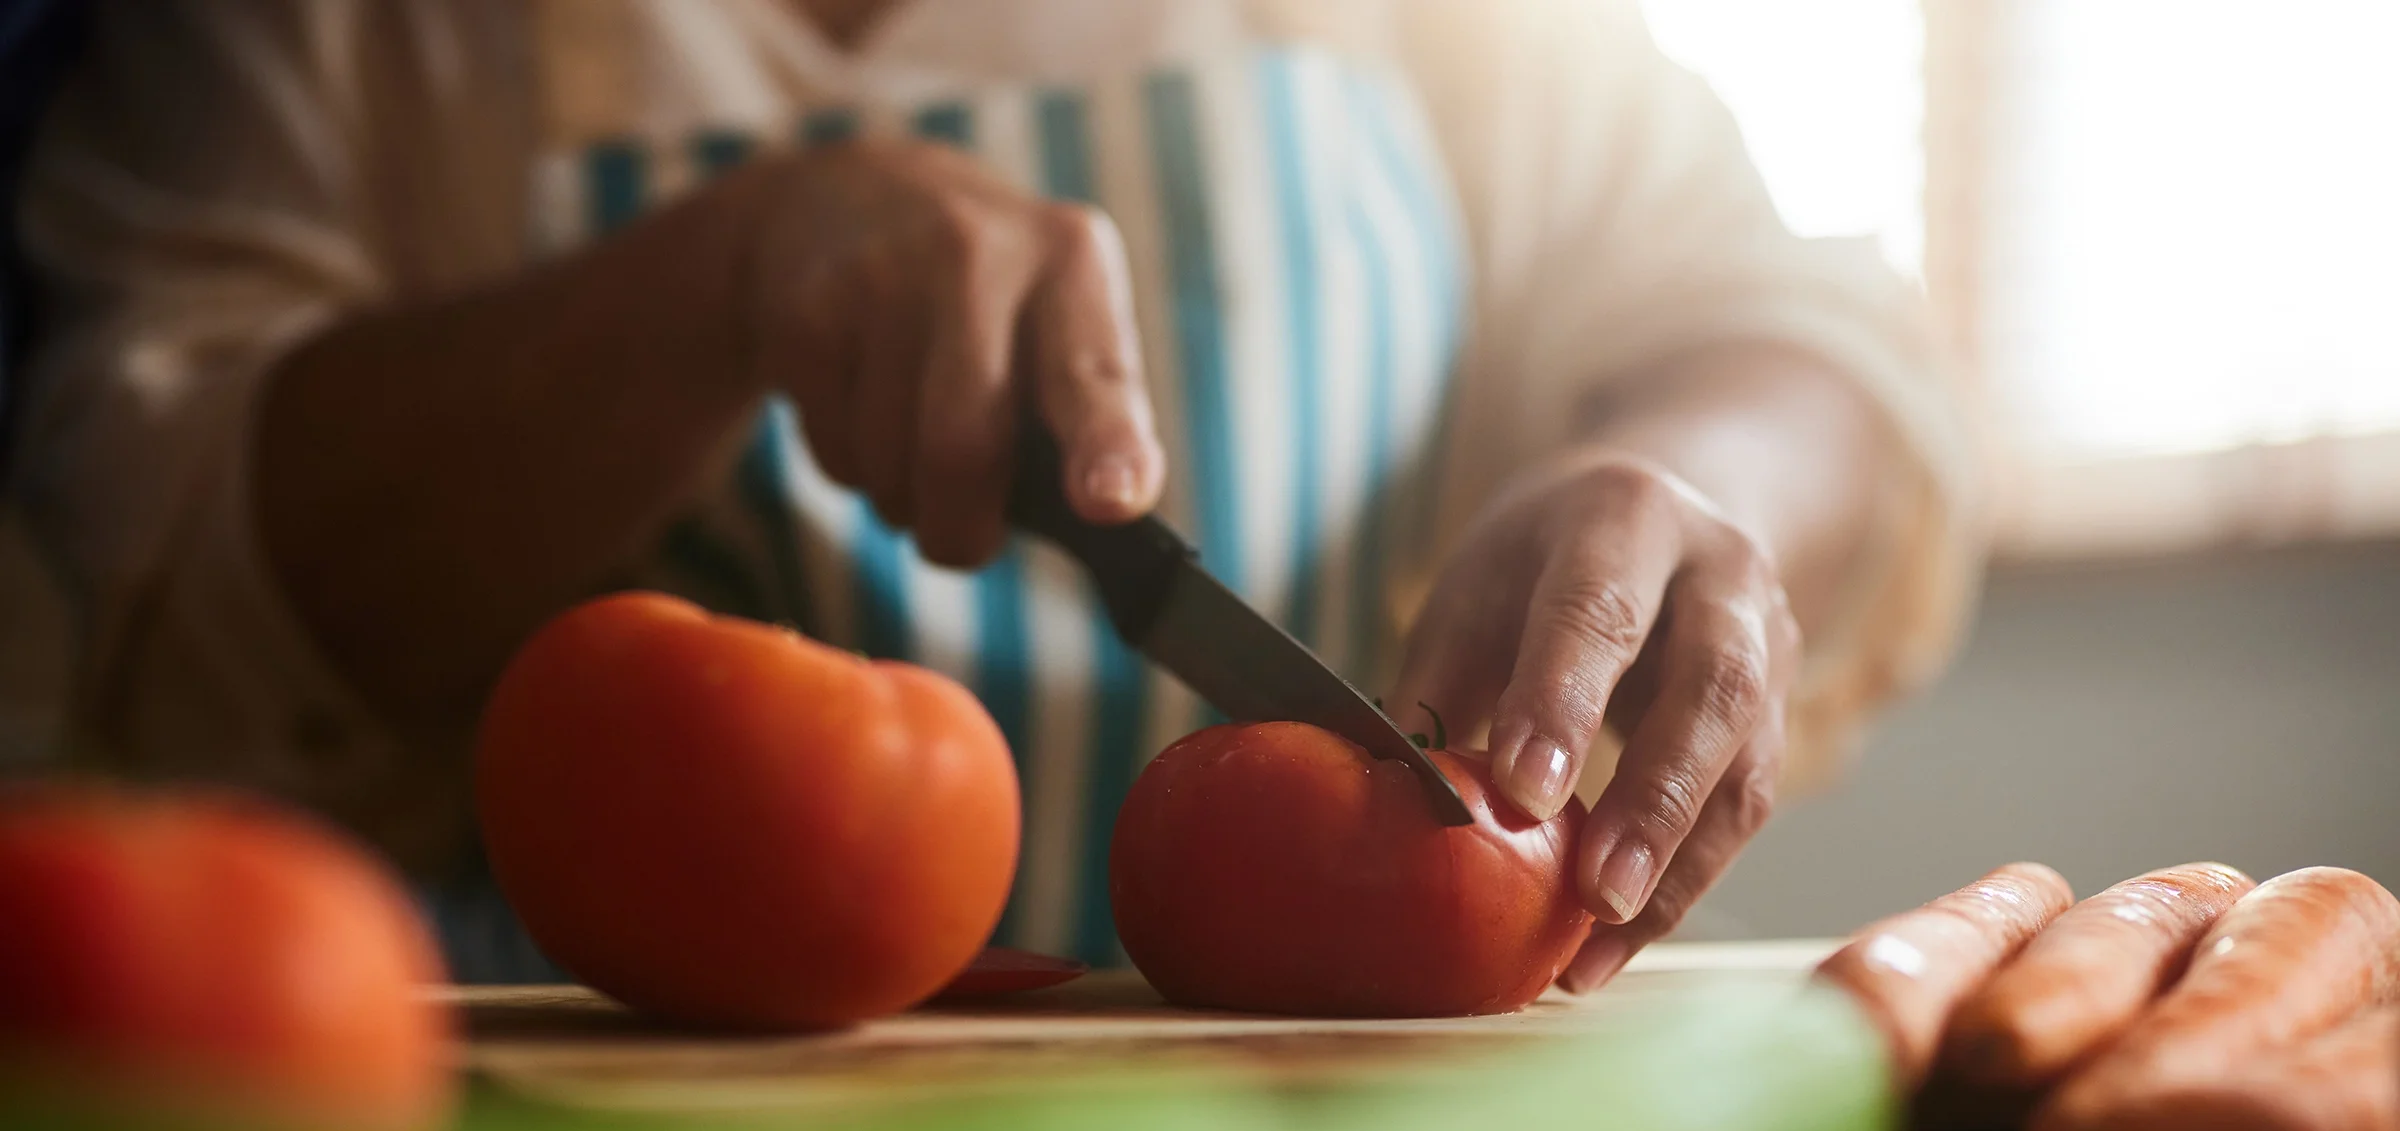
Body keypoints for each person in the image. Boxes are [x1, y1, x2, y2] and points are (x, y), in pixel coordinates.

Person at [0, 0, 1977, 983]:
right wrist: (709, 280)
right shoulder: (318, 38)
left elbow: (1781, 315)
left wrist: (1686, 485)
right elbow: (137, 539)